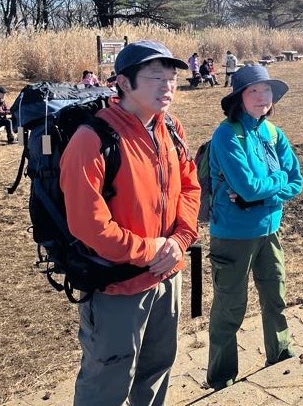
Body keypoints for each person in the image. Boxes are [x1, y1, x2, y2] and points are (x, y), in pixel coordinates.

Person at [60, 40, 200, 405]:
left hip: (168, 274)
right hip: (118, 287)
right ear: (123, 82)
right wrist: (150, 250)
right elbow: (89, 224)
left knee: (157, 368)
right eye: (155, 77)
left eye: (170, 78)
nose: (167, 87)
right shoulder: (93, 139)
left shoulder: (170, 127)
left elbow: (189, 185)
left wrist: (180, 239)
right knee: (107, 382)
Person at [206, 64, 303, 389]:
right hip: (232, 235)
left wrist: (264, 192)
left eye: (267, 91)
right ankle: (222, 378)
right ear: (239, 98)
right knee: (230, 308)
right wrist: (271, 186)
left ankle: (281, 353)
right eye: (254, 91)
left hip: (269, 230)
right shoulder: (226, 134)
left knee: (275, 295)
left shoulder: (273, 133)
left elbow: (296, 181)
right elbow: (247, 186)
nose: (263, 97)